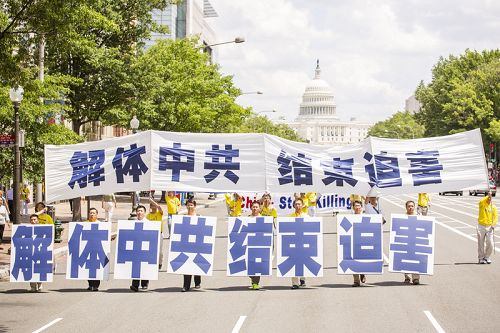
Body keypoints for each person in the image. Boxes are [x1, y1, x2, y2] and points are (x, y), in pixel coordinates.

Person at [288, 198, 309, 289]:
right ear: (293, 206)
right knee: (293, 262)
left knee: (303, 261)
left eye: (299, 204)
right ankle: (295, 283)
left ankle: (302, 279)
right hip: (293, 242)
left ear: (303, 205)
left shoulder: (307, 217)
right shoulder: (290, 216)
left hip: (303, 241)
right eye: (296, 204)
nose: (297, 206)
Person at [181, 198, 202, 292]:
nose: (190, 207)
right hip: (186, 244)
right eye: (188, 205)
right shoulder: (183, 218)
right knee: (186, 264)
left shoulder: (199, 217)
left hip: (197, 243)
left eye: (191, 205)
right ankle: (186, 285)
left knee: (196, 263)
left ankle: (197, 282)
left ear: (195, 206)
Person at [130, 205, 151, 292]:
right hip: (136, 248)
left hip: (146, 248)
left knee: (144, 266)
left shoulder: (149, 223)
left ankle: (144, 284)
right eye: (138, 211)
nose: (139, 213)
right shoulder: (132, 223)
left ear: (144, 213)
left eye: (141, 211)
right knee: (136, 266)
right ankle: (135, 285)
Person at [477, 191, 497, 264]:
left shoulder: (493, 207)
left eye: (490, 198)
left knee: (490, 242)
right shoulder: (482, 204)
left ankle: (487, 257)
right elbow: (481, 201)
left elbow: (495, 217)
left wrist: (493, 224)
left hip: (489, 227)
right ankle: (481, 258)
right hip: (481, 226)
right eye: (488, 198)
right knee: (481, 243)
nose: (489, 199)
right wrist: (488, 196)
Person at [403, 200, 421, 285]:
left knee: (415, 259)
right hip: (406, 241)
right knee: (405, 259)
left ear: (414, 207)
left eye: (412, 206)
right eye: (409, 206)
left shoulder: (418, 216)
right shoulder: (402, 217)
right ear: (406, 207)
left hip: (415, 241)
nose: (410, 207)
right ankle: (407, 277)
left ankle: (416, 278)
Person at [248, 200, 263, 290]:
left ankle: (256, 283)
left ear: (259, 208)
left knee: (257, 265)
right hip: (249, 244)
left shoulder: (263, 219)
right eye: (253, 207)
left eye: (256, 207)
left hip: (259, 245)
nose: (255, 208)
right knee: (249, 265)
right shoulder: (247, 218)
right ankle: (253, 279)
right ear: (251, 208)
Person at [351, 200, 367, 287]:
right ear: (353, 207)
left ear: (361, 207)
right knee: (354, 261)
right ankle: (356, 280)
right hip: (354, 242)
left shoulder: (365, 217)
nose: (357, 207)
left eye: (358, 206)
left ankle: (363, 273)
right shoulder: (350, 218)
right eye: (355, 206)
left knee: (363, 260)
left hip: (363, 241)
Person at [85, 208, 101, 291]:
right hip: (88, 250)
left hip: (97, 250)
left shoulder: (100, 224)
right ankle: (90, 284)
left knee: (96, 268)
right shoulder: (85, 224)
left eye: (94, 213)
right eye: (90, 213)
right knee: (88, 268)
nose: (92, 214)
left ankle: (95, 285)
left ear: (97, 215)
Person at [147, 198, 164, 269]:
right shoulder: (148, 216)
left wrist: (152, 201)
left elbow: (160, 208)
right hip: (151, 234)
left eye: (155, 205)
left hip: (159, 234)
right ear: (150, 207)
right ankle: (152, 262)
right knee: (151, 249)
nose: (154, 207)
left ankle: (160, 262)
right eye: (152, 206)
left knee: (159, 251)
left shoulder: (159, 213)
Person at [29, 214, 44, 292]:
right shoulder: (26, 229)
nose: (33, 221)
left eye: (34, 219)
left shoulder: (42, 229)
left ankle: (40, 284)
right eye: (31, 220)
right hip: (30, 252)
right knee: (30, 268)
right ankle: (33, 286)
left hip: (39, 251)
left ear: (38, 220)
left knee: (39, 268)